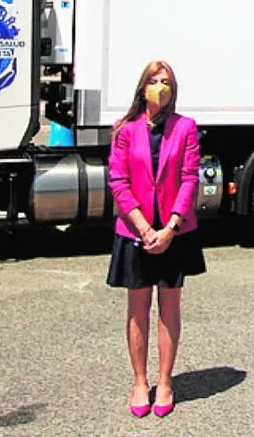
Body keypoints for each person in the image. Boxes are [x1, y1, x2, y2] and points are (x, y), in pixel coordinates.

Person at [106, 60, 205, 419]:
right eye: (154, 80)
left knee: (169, 307)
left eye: (166, 82)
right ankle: (138, 381)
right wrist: (144, 228)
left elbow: (190, 178)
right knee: (137, 308)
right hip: (135, 230)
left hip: (174, 231)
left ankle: (164, 381)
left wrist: (170, 227)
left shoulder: (186, 128)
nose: (160, 87)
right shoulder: (124, 130)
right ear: (142, 86)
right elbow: (118, 181)